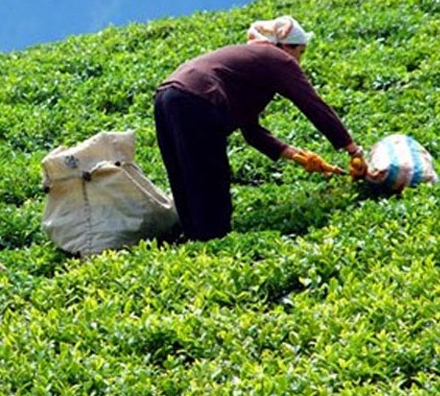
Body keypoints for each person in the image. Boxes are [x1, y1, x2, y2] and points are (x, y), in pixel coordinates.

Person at [154, 15, 369, 242]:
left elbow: (252, 132)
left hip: (165, 97)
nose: (299, 61)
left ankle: (193, 239)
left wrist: (300, 157)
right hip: (197, 100)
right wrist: (352, 149)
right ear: (285, 47)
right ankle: (213, 242)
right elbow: (313, 105)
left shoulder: (253, 63)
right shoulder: (277, 58)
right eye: (300, 52)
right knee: (211, 178)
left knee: (184, 174)